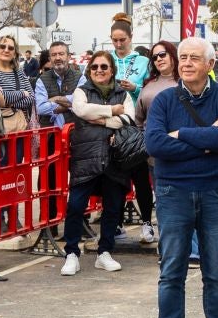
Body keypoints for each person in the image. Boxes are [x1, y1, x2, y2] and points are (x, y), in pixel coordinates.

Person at [141, 38, 218, 318]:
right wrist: (203, 139)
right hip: (173, 193)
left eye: (194, 58)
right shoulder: (164, 99)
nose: (185, 63)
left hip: (215, 193)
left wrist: (180, 134)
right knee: (171, 273)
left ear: (210, 64)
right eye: (182, 57)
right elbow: (154, 144)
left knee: (216, 273)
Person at [64, 52, 136, 276]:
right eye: (94, 67)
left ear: (111, 70)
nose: (99, 70)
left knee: (113, 208)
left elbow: (130, 118)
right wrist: (112, 111)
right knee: (76, 206)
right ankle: (71, 254)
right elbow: (81, 110)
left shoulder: (122, 93)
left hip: (115, 159)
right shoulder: (82, 91)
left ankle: (104, 252)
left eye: (104, 66)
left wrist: (101, 119)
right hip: (86, 156)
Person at [131, 40, 181, 244]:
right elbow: (138, 120)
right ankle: (167, 242)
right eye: (154, 57)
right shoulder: (149, 85)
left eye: (162, 55)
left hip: (183, 151)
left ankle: (183, 242)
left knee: (183, 200)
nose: (158, 59)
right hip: (155, 154)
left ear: (172, 55)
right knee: (162, 199)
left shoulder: (186, 81)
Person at [31, 41, 79, 130]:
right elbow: (41, 108)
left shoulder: (80, 77)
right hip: (49, 135)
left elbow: (81, 102)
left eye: (61, 54)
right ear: (50, 59)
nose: (57, 58)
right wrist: (70, 104)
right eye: (54, 55)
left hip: (76, 133)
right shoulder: (42, 80)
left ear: (69, 57)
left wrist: (56, 99)